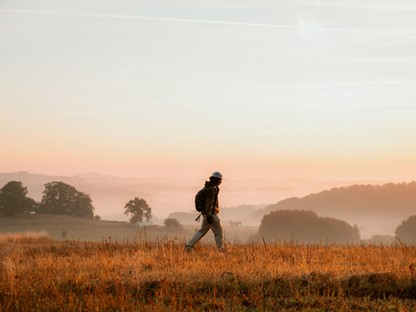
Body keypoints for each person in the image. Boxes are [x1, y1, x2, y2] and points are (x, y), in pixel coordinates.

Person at [185, 171, 225, 252]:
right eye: (220, 180)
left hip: (206, 213)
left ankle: (189, 247)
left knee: (202, 231)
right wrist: (209, 215)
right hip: (210, 214)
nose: (221, 182)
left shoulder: (210, 187)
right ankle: (221, 249)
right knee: (218, 232)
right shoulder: (211, 189)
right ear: (217, 180)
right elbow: (208, 204)